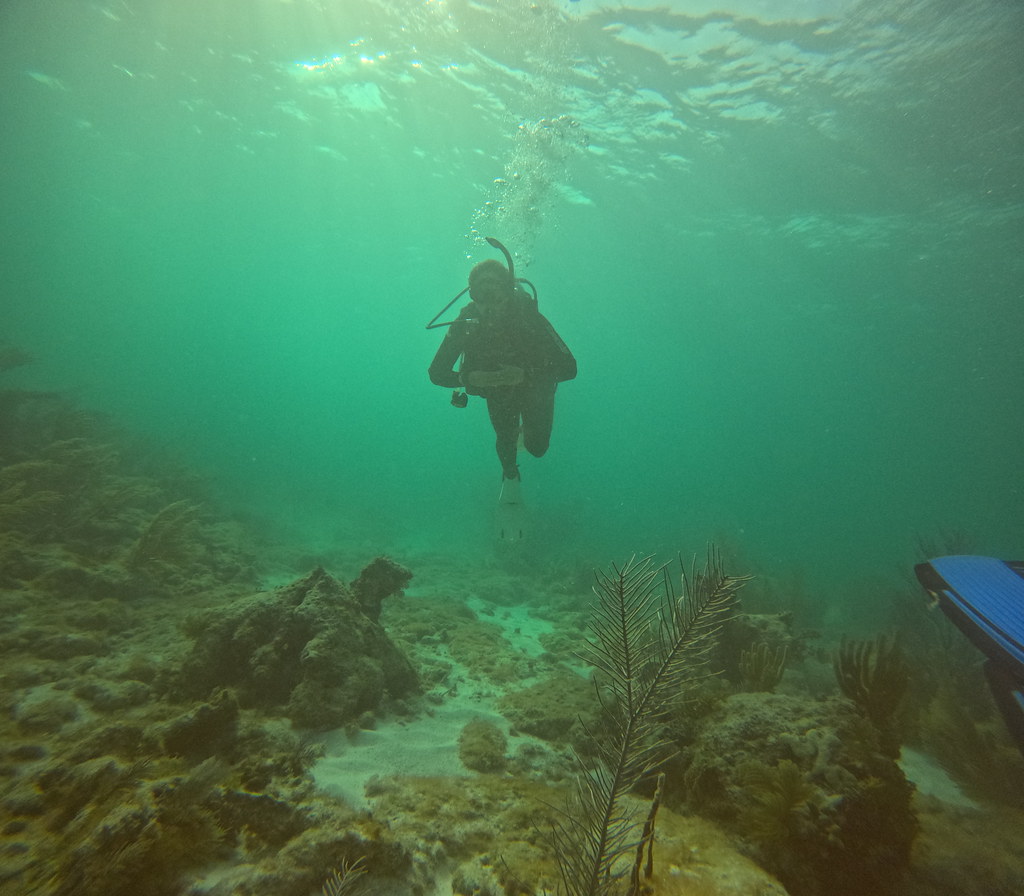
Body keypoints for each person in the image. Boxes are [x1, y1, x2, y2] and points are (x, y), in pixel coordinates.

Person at [428, 256, 576, 483]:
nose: (487, 306)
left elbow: (569, 367)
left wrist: (525, 375)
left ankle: (526, 436)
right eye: (480, 296)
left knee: (537, 448)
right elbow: (436, 373)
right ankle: (511, 475)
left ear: (507, 292)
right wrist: (469, 378)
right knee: (505, 445)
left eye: (495, 295)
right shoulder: (466, 322)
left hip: (535, 389)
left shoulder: (528, 316)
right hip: (498, 394)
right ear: (472, 295)